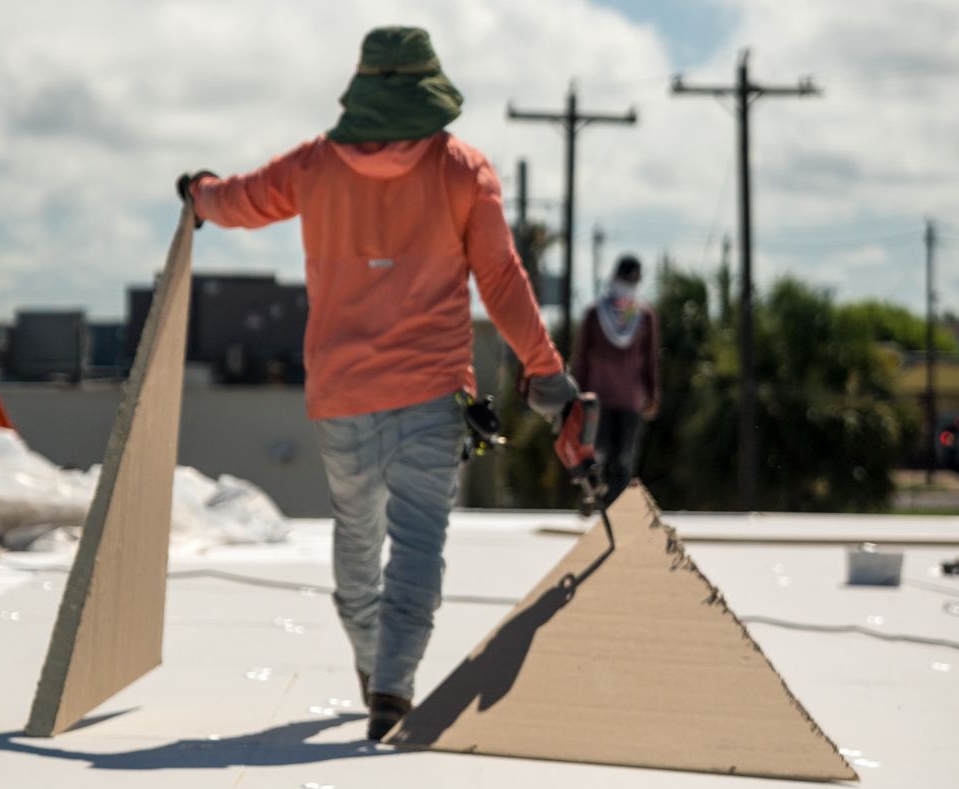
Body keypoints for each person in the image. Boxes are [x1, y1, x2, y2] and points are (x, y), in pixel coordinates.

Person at [177, 25, 575, 740]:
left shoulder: (316, 166)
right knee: (418, 543)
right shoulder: (463, 170)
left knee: (356, 534)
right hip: (431, 396)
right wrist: (546, 371)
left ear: (362, 90)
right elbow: (503, 282)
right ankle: (393, 684)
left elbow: (239, 201)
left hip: (342, 395)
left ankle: (371, 661)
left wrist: (198, 194)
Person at [571, 255, 660, 503]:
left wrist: (652, 395)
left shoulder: (644, 317)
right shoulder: (594, 314)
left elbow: (650, 360)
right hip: (597, 399)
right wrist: (576, 397)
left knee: (623, 458)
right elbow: (581, 359)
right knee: (597, 455)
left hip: (630, 400)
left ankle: (617, 509)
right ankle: (593, 501)